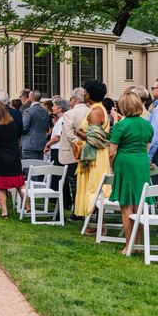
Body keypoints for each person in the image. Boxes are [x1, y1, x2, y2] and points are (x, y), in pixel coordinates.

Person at [109, 92, 154, 254]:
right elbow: (147, 148)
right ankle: (139, 244)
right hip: (141, 162)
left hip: (125, 163)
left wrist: (112, 166)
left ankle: (129, 245)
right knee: (139, 205)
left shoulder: (122, 125)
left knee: (126, 206)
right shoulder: (147, 125)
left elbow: (112, 152)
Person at [73, 80, 111, 223]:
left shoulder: (95, 112)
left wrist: (79, 133)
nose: (83, 94)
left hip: (95, 156)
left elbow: (95, 139)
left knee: (94, 188)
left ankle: (96, 225)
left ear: (88, 94)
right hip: (95, 154)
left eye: (84, 91)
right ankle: (95, 223)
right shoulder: (99, 108)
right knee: (94, 187)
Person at [59, 88, 90, 219]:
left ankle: (77, 211)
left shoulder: (69, 114)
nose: (70, 101)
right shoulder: (91, 111)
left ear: (75, 99)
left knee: (74, 183)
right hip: (89, 151)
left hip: (73, 152)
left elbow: (69, 134)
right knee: (84, 183)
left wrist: (80, 144)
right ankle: (83, 209)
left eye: (71, 99)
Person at [45, 98, 71, 207]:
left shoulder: (63, 119)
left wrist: (48, 144)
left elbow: (57, 137)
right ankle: (62, 200)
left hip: (58, 149)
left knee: (58, 175)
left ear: (60, 108)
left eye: (54, 106)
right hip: (56, 149)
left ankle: (62, 200)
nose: (52, 108)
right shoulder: (60, 119)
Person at [21, 90, 50, 159]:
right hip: (41, 145)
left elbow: (24, 128)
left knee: (29, 168)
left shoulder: (28, 111)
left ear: (31, 98)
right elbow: (46, 127)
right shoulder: (45, 111)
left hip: (29, 145)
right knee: (38, 168)